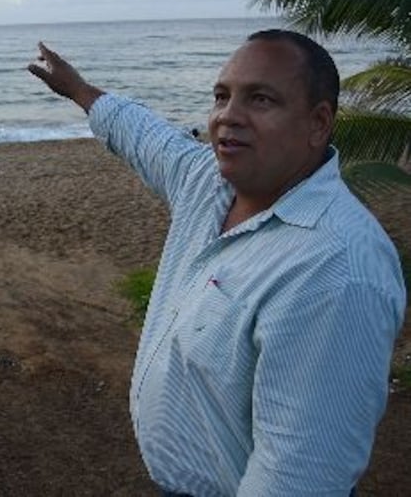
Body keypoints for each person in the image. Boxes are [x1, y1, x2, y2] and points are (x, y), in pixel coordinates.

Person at [28, 30, 406, 496]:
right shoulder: (209, 183)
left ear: (318, 123)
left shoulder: (335, 268)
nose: (228, 116)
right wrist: (81, 92)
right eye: (221, 97)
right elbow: (148, 138)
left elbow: (298, 477)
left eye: (260, 99)